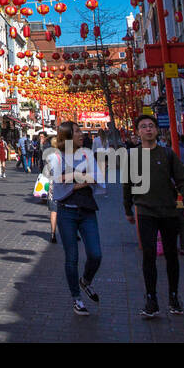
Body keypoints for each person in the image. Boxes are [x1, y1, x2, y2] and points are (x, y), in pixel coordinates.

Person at [123, 113, 184, 318]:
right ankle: (151, 299)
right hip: (145, 211)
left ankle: (173, 296)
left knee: (172, 255)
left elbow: (183, 180)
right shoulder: (132, 156)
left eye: (151, 126)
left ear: (156, 130)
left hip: (169, 211)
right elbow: (127, 185)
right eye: (144, 126)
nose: (148, 129)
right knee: (149, 255)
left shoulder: (168, 154)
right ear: (137, 132)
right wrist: (128, 209)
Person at [49, 122, 104, 316]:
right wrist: (83, 178)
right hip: (67, 213)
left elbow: (97, 177)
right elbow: (59, 186)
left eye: (81, 130)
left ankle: (86, 281)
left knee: (95, 254)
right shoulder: (56, 157)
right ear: (68, 136)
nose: (82, 134)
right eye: (78, 131)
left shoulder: (87, 154)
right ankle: (77, 298)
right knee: (71, 258)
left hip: (87, 210)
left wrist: (74, 178)